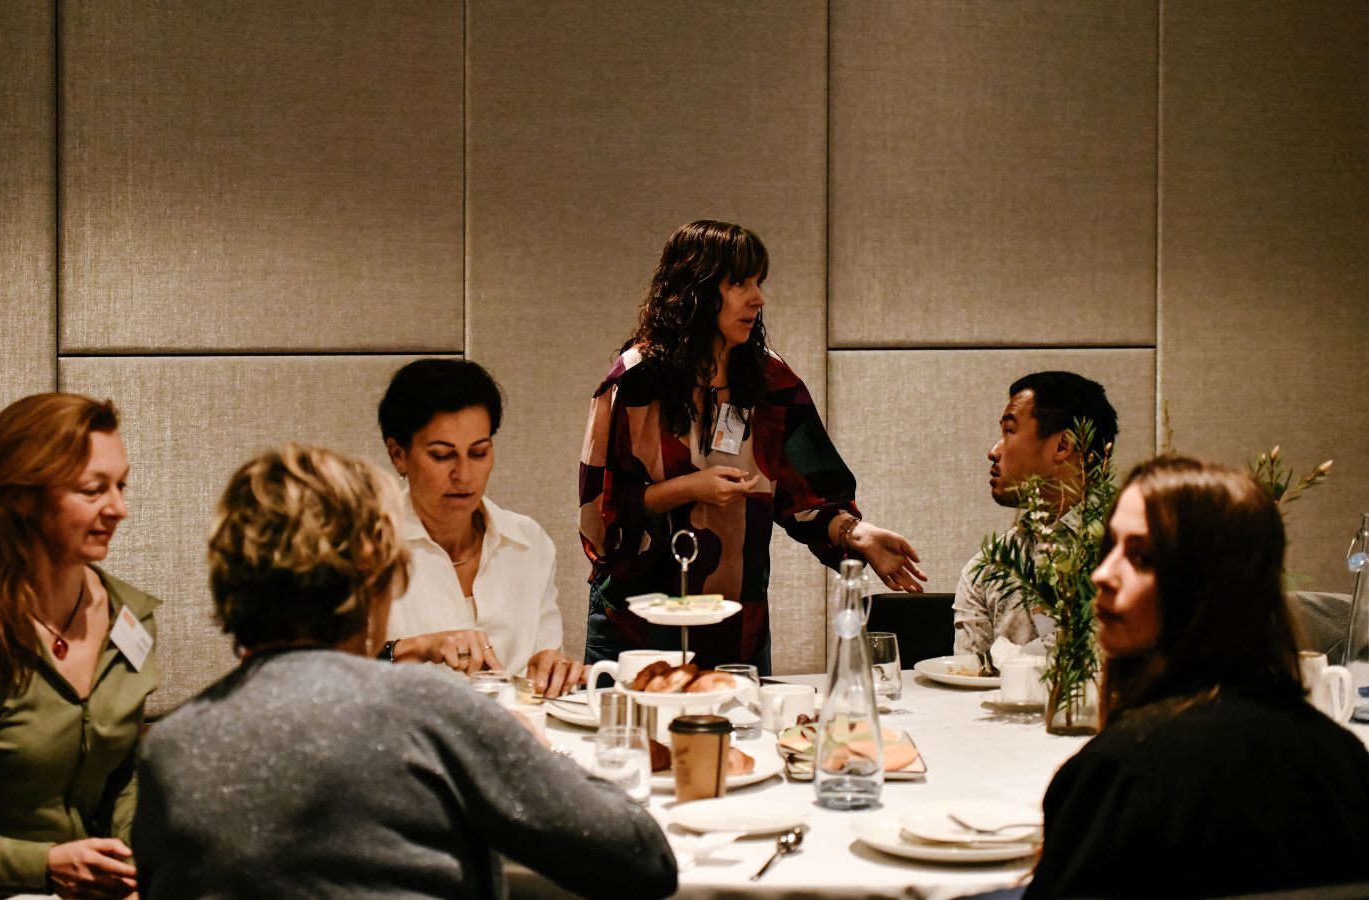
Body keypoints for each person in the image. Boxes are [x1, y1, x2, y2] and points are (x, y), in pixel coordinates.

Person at [132, 444, 676, 899]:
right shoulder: (433, 711)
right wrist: (536, 751)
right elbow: (641, 857)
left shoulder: (170, 750)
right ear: (378, 576)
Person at [1025, 457, 1369, 898]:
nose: (1102, 575)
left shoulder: (1119, 774)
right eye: (1111, 548)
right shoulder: (1345, 761)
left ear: (1211, 588)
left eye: (1142, 558)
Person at [580, 219, 926, 672]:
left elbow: (808, 497)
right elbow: (598, 516)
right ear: (696, 289)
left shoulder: (771, 382)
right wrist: (688, 489)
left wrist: (854, 533)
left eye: (759, 282)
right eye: (740, 283)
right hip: (635, 626)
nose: (758, 298)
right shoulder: (635, 380)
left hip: (737, 628)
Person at [0, 393, 159, 899]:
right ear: (17, 499)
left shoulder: (130, 620)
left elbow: (124, 774)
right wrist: (39, 866)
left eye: (121, 485)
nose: (119, 509)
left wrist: (132, 865)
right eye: (93, 490)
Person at [376, 358, 583, 697]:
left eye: (478, 453)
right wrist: (413, 648)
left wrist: (551, 667)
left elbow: (543, 661)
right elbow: (324, 673)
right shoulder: (364, 546)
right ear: (398, 455)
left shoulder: (528, 543)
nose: (464, 475)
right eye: (442, 455)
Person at [952, 371, 1117, 655]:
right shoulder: (986, 570)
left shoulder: (1126, 555)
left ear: (1062, 446)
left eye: (1009, 431)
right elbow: (967, 675)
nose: (993, 451)